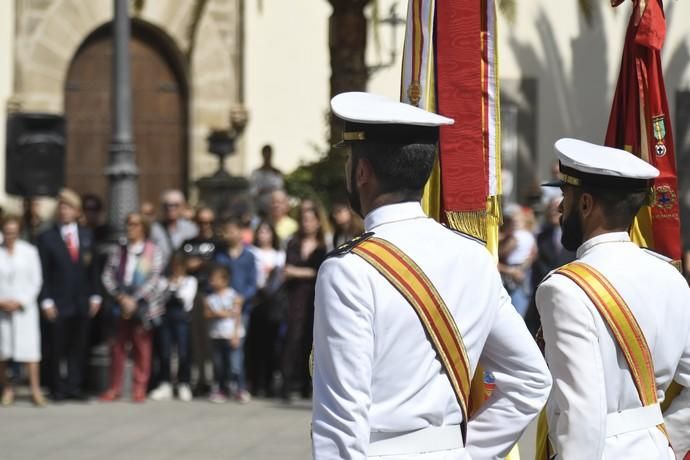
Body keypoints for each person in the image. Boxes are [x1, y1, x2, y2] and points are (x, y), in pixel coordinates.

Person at [311, 92, 551, 459]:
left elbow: (341, 419)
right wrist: (469, 452)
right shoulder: (474, 256)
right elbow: (531, 379)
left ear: (362, 172)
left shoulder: (349, 269)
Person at [535, 138, 690, 459]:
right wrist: (665, 441)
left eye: (565, 196)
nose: (560, 208)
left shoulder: (564, 288)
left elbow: (580, 411)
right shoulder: (671, 277)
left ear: (586, 204)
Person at [37, 189, 101, 401]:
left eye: (69, 207)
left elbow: (93, 270)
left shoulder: (86, 235)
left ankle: (75, 386)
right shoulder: (47, 238)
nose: (64, 211)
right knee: (56, 346)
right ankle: (57, 387)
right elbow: (43, 272)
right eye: (61, 207)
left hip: (81, 300)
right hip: (58, 300)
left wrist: (95, 296)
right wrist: (45, 300)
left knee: (79, 346)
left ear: (77, 212)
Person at [99, 213, 164, 403]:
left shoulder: (153, 250)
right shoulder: (119, 250)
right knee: (117, 346)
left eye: (135, 225)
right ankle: (115, 387)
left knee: (142, 347)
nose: (130, 228)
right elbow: (107, 275)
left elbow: (154, 278)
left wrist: (134, 299)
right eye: (128, 224)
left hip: (142, 304)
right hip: (120, 301)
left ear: (143, 227)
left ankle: (139, 387)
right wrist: (120, 297)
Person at [282, 204, 327, 401]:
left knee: (312, 339)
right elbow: (286, 269)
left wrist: (298, 272)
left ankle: (308, 384)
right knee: (293, 338)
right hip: (294, 297)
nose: (306, 223)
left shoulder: (324, 244)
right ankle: (288, 383)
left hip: (315, 296)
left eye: (310, 219)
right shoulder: (293, 243)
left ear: (318, 222)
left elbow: (321, 270)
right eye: (303, 220)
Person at [0, 215, 45, 406]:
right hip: (2, 309)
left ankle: (35, 389)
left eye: (13, 232)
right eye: (7, 232)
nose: (10, 236)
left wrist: (21, 301)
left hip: (24, 309)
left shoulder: (29, 252)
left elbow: (36, 281)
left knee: (30, 351)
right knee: (3, 352)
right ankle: (7, 389)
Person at [214, 217, 257, 403]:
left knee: (236, 348)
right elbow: (213, 279)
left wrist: (243, 297)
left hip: (241, 309)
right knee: (219, 350)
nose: (228, 234)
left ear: (241, 232)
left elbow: (252, 283)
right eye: (226, 230)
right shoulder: (219, 255)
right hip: (221, 310)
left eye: (232, 230)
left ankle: (239, 385)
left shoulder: (249, 256)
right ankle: (222, 386)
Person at [149, 253, 198, 402]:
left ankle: (184, 382)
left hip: (182, 318)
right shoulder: (164, 281)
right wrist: (169, 286)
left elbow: (186, 298)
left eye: (179, 266)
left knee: (183, 352)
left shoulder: (190, 280)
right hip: (166, 318)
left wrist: (176, 286)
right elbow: (159, 297)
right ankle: (166, 383)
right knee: (165, 351)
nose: (176, 269)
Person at [182, 207, 219, 395]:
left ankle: (214, 380)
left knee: (213, 340)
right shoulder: (188, 244)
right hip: (192, 295)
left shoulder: (219, 244)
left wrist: (201, 264)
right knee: (195, 340)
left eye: (209, 222)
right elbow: (181, 264)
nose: (205, 226)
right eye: (201, 222)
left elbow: (221, 267)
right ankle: (198, 380)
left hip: (214, 294)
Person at [248, 221, 286, 396]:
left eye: (267, 231)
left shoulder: (279, 255)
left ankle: (270, 382)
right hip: (255, 301)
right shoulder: (251, 253)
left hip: (273, 302)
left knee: (272, 344)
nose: (264, 235)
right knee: (255, 344)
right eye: (260, 231)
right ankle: (255, 381)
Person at [204, 264, 244, 403]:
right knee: (219, 365)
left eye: (215, 279)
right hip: (217, 335)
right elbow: (207, 313)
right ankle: (221, 389)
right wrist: (221, 313)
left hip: (231, 335)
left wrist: (235, 334)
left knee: (235, 364)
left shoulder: (234, 296)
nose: (212, 281)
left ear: (225, 280)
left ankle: (240, 388)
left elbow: (237, 315)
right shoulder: (210, 298)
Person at [150, 189, 198, 269]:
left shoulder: (191, 229)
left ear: (183, 206)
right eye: (167, 205)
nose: (171, 208)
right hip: (161, 276)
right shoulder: (154, 229)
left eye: (175, 205)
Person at [249, 144, 284, 215]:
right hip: (259, 210)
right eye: (266, 154)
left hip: (275, 211)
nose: (267, 156)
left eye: (269, 154)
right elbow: (252, 192)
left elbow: (280, 190)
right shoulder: (256, 173)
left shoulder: (277, 173)